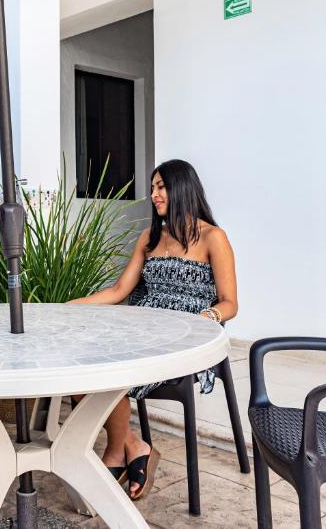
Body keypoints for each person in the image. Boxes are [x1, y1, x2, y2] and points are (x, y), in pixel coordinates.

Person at [67, 159, 238, 500]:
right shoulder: (150, 238)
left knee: (110, 376)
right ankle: (133, 445)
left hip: (186, 339)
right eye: (153, 188)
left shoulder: (213, 237)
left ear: (182, 189)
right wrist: (69, 306)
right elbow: (119, 291)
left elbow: (230, 302)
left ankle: (116, 453)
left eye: (161, 187)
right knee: (79, 370)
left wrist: (206, 318)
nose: (154, 195)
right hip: (141, 331)